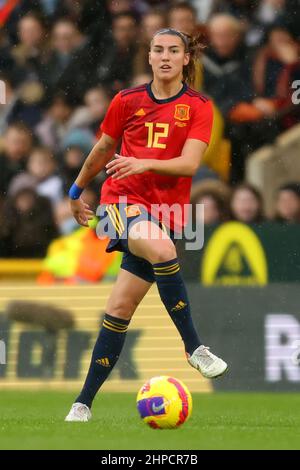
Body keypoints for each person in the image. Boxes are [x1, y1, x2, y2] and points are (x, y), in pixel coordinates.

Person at [65, 28, 228, 422]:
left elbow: (190, 165)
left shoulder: (199, 106)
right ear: (150, 57)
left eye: (174, 50)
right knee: (163, 250)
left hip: (165, 213)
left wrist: (144, 162)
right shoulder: (127, 100)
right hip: (119, 203)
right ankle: (195, 349)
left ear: (186, 59)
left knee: (121, 306)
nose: (166, 56)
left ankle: (81, 403)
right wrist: (75, 190)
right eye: (158, 50)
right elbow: (104, 148)